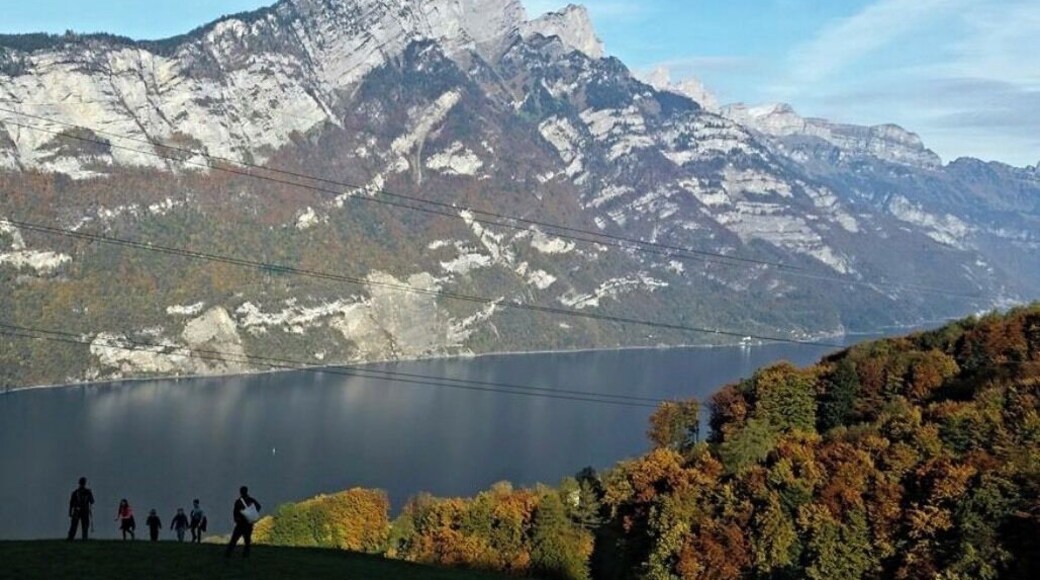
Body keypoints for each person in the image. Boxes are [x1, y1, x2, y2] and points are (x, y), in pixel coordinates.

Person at [225, 486, 261, 558]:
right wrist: (253, 512)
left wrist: (236, 519)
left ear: (240, 492)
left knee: (234, 539)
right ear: (247, 491)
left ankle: (228, 554)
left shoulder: (238, 501)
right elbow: (259, 506)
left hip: (240, 523)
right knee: (247, 540)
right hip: (249, 523)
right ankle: (246, 555)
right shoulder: (251, 500)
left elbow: (235, 512)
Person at [66, 477, 95, 541]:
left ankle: (71, 538)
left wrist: (70, 512)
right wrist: (90, 493)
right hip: (83, 511)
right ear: (85, 483)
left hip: (78, 510)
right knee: (84, 526)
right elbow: (92, 501)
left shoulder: (75, 492)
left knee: (75, 525)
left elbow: (71, 504)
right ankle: (84, 538)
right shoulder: (87, 492)